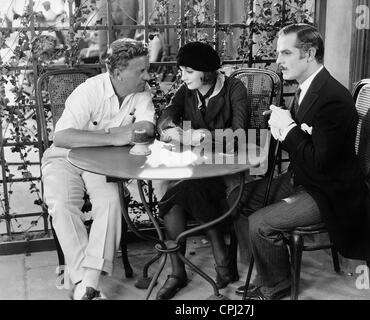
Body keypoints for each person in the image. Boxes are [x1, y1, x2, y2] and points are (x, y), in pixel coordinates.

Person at [228, 24, 370, 300]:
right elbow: (303, 143)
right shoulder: (305, 89)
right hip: (303, 179)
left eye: (286, 53)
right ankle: (269, 269)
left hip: (328, 191)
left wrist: (288, 129)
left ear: (309, 53)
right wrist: (280, 126)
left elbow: (320, 162)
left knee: (260, 223)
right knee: (236, 199)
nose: (278, 61)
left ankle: (277, 285)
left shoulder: (332, 99)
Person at [41, 38, 155, 300]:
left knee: (111, 202)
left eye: (147, 69)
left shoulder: (142, 91)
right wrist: (113, 136)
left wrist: (136, 131)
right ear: (117, 73)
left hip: (102, 163)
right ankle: (85, 281)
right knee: (61, 203)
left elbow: (147, 128)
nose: (147, 76)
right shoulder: (89, 91)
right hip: (64, 158)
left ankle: (87, 281)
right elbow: (62, 137)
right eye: (141, 71)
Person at [154, 41, 248, 300]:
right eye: (181, 71)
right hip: (197, 167)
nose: (182, 77)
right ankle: (179, 271)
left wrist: (204, 136)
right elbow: (165, 117)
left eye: (188, 71)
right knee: (174, 195)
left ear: (206, 71)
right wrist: (171, 130)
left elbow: (240, 135)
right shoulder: (187, 89)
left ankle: (216, 256)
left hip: (228, 169)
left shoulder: (234, 88)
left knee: (179, 194)